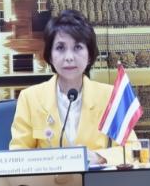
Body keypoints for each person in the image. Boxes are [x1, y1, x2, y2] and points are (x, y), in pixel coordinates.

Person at [9, 9, 135, 165]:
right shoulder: (30, 98)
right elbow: (18, 155)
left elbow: (132, 150)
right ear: (50, 55)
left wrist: (100, 157)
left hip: (94, 178)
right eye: (60, 48)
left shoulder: (110, 96)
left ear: (89, 55)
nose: (69, 57)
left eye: (77, 47)